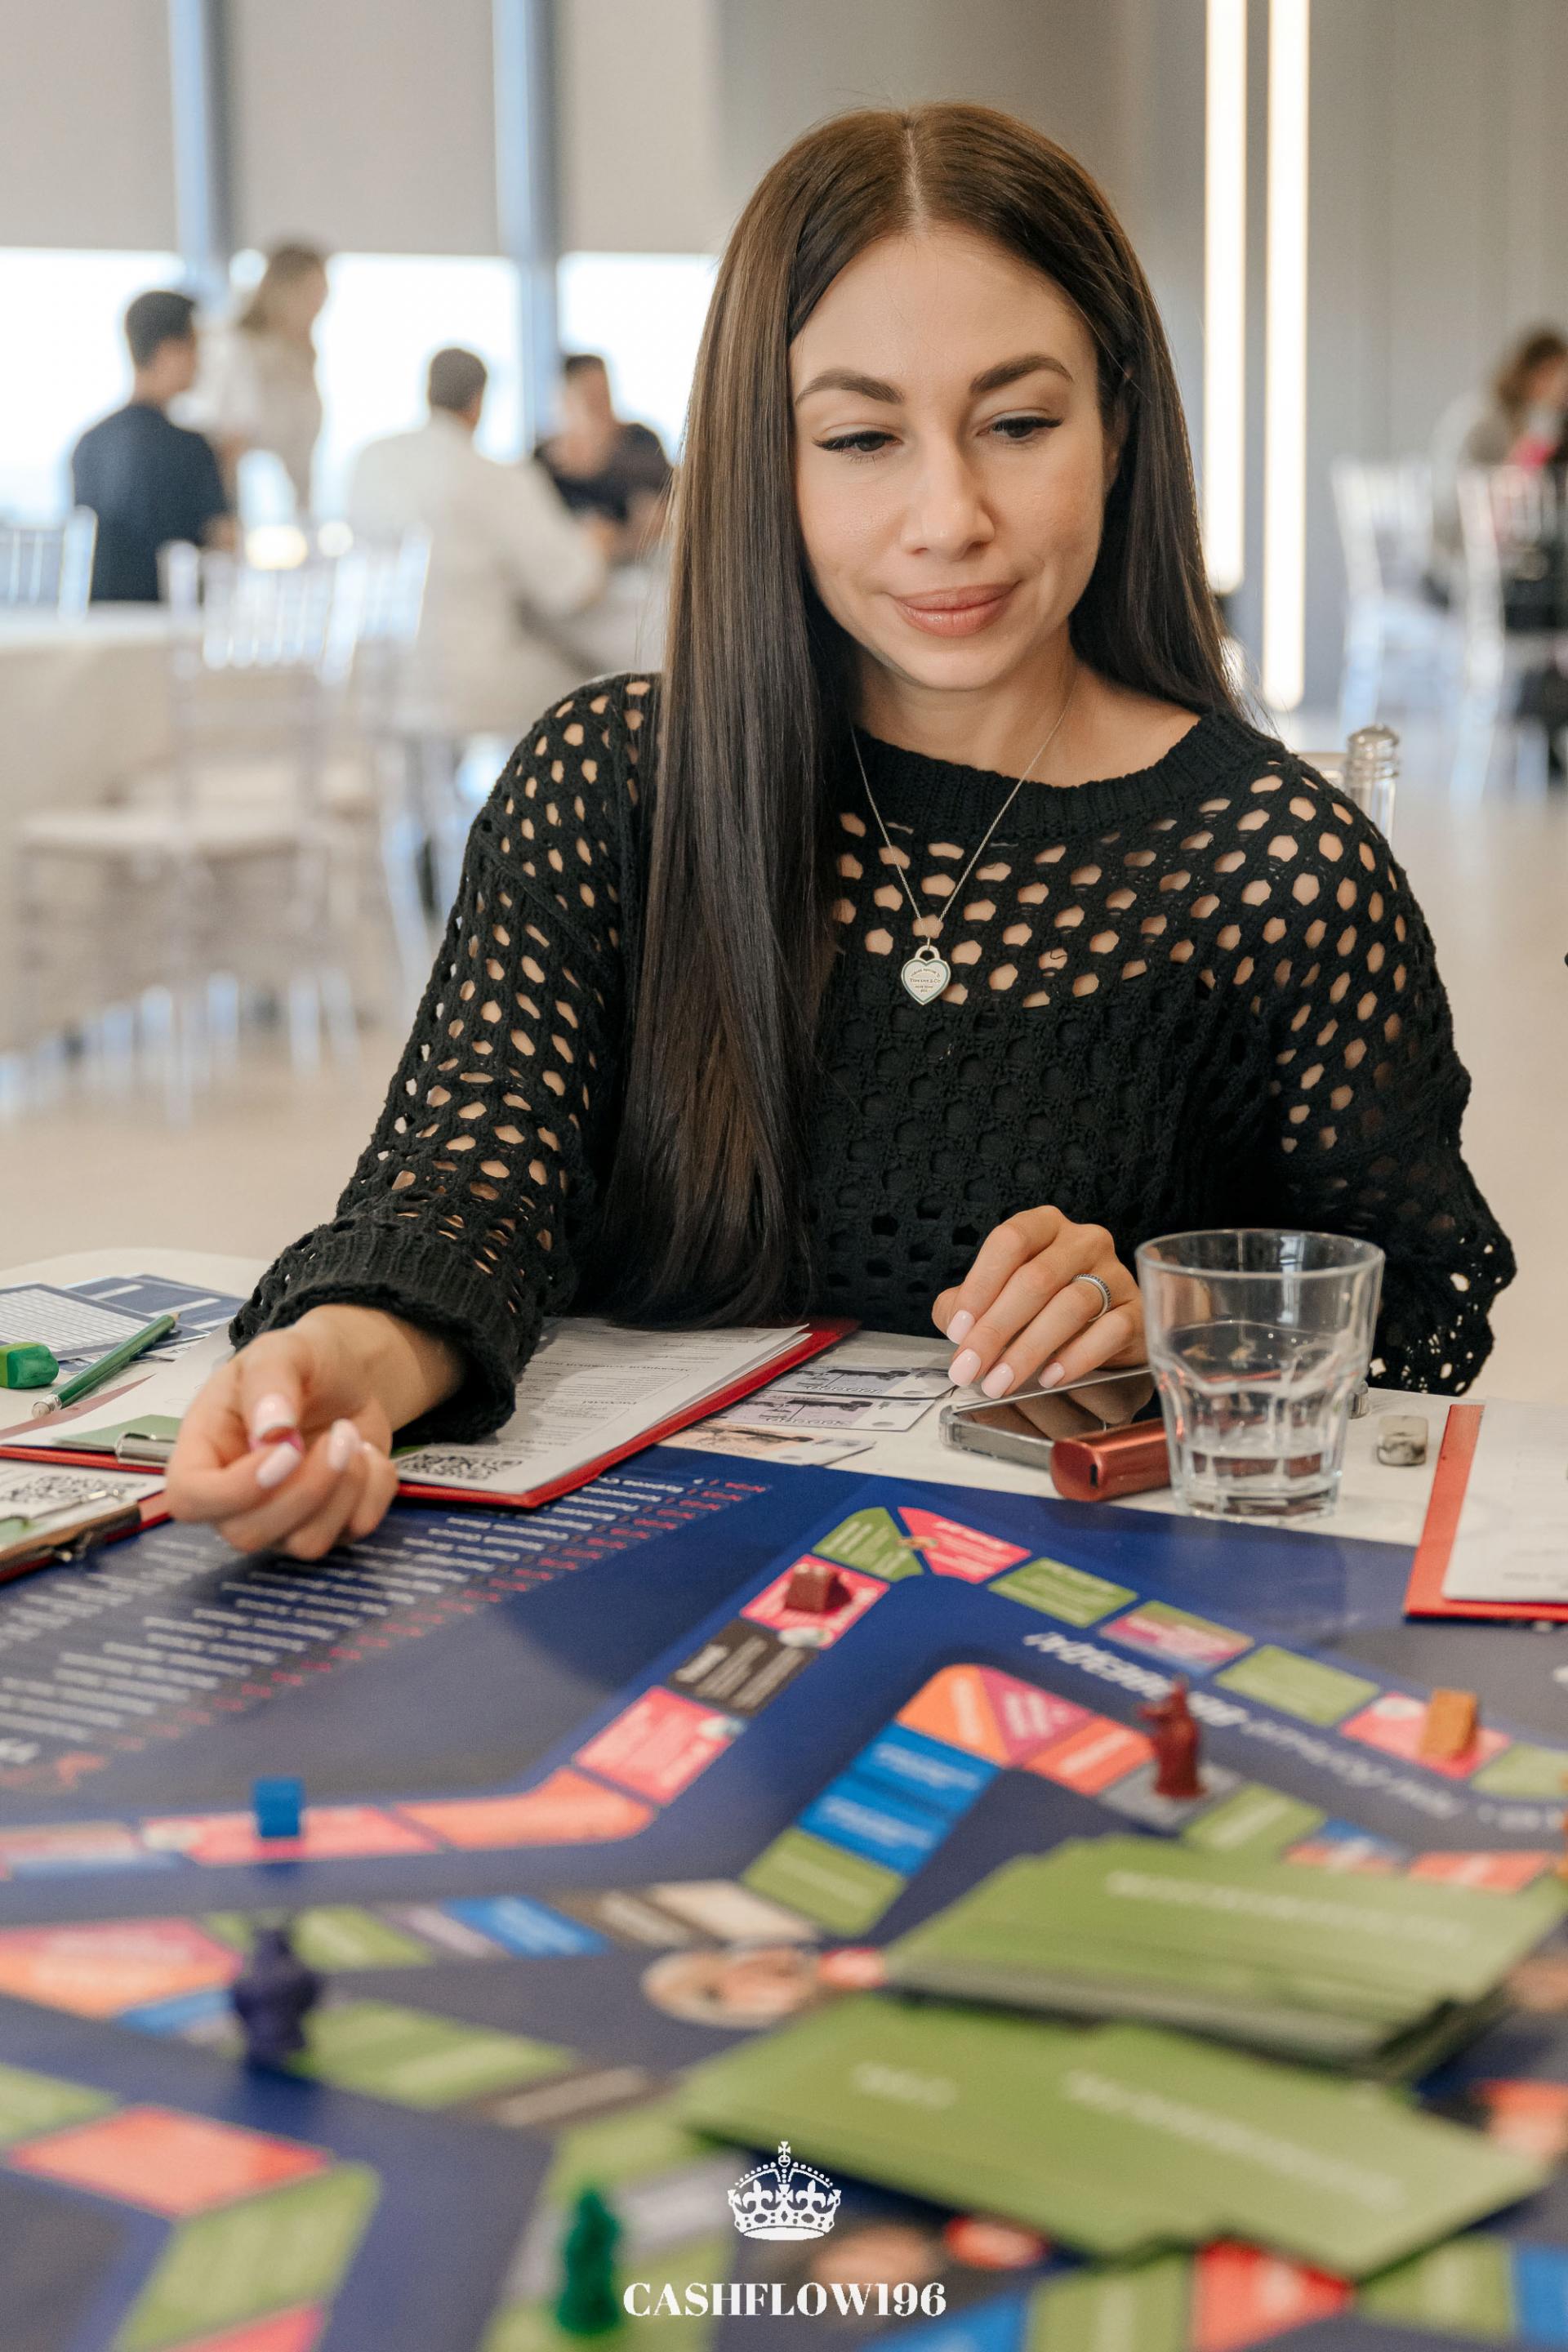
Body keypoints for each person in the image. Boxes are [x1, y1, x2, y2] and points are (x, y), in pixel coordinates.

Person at [165, 103, 1512, 1561]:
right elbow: (463, 1198)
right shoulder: (614, 791)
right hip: (628, 1609)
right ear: (770, 458)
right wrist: (341, 1363)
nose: (949, 516)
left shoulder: (1277, 871)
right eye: (862, 438)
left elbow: (1405, 1327)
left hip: (1051, 1633)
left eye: (1019, 424)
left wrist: (1165, 1335)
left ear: (1119, 425)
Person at [346, 345, 610, 737]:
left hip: (381, 681)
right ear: (479, 401)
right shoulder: (496, 479)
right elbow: (573, 586)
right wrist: (598, 543)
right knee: (598, 688)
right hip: (468, 684)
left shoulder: (369, 461)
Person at [70, 289, 234, 604]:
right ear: (169, 351)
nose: (200, 362)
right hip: (172, 618)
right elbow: (223, 545)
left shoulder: (88, 445)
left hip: (100, 619)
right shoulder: (192, 448)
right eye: (195, 347)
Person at [189, 242, 329, 515]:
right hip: (240, 505)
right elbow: (224, 437)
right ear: (284, 292)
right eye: (311, 294)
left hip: (286, 510)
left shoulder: (301, 359)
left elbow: (302, 453)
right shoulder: (235, 346)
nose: (319, 306)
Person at [1429, 325, 1568, 586]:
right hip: (1462, 558)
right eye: (1559, 380)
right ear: (1540, 373)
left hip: (1492, 552)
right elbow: (1475, 497)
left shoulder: (1520, 420)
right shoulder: (1487, 420)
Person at [537, 352, 673, 559]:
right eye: (591, 398)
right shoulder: (543, 462)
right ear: (566, 400)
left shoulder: (642, 441)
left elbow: (669, 494)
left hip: (646, 559)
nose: (602, 407)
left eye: (605, 394)